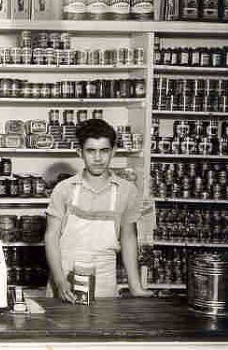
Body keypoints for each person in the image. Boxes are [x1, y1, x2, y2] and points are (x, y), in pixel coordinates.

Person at [44, 119, 152, 302]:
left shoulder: (127, 191)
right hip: (65, 277)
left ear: (114, 152)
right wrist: (60, 280)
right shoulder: (64, 189)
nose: (98, 158)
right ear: (80, 152)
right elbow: (51, 236)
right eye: (91, 151)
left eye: (104, 151)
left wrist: (135, 286)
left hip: (104, 280)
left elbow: (128, 237)